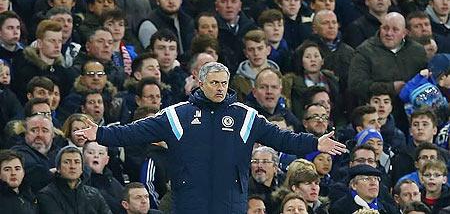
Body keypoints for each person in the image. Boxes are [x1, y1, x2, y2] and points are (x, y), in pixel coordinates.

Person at [75, 62, 346, 213]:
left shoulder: (245, 116)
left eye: (224, 83)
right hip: (189, 201)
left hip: (230, 202)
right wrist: (100, 133)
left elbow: (281, 138)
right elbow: (135, 132)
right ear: (200, 83)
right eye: (214, 82)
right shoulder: (177, 115)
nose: (219, 88)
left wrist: (314, 142)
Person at [37, 145, 112, 213]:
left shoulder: (94, 194)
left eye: (77, 162)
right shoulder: (47, 195)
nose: (72, 166)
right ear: (58, 168)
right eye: (67, 162)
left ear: (82, 168)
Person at [329, 165, 399, 213]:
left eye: (376, 179)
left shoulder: (388, 209)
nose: (373, 183)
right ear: (354, 185)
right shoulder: (340, 208)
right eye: (366, 179)